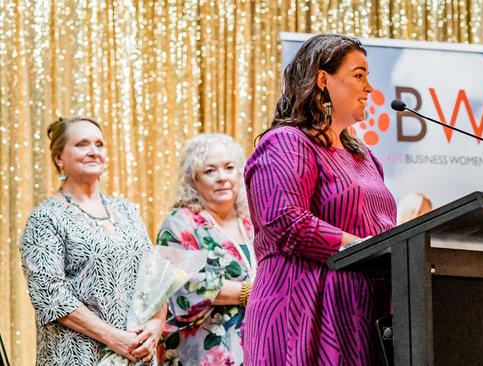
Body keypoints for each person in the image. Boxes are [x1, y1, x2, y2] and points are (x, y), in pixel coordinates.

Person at [243, 34, 397, 365]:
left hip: (363, 314)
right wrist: (367, 248)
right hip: (302, 313)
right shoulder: (287, 142)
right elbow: (287, 223)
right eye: (359, 75)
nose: (369, 88)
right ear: (323, 79)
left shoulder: (366, 158)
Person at [20, 117, 165, 365]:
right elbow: (51, 296)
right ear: (59, 158)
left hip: (135, 355)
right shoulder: (46, 217)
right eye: (82, 144)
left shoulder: (127, 210)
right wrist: (115, 338)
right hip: (77, 357)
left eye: (99, 144)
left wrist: (156, 325)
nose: (93, 152)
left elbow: (155, 277)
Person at [156, 133, 256, 366]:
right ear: (193, 180)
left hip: (256, 346)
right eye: (210, 171)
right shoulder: (179, 223)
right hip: (202, 353)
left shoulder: (252, 221)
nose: (222, 178)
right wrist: (247, 292)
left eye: (229, 168)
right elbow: (178, 287)